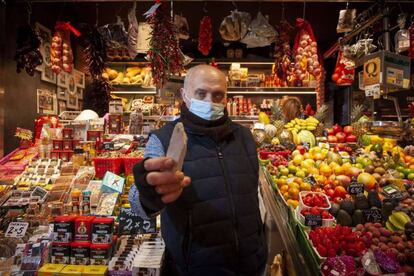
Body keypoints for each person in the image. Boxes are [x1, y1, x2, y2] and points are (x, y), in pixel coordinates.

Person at [129, 65, 267, 276]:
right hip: (195, 268)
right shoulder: (165, 139)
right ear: (185, 95)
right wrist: (149, 194)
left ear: (226, 97)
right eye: (201, 93)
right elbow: (137, 204)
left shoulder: (245, 138)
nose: (210, 102)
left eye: (218, 95)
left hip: (250, 266)